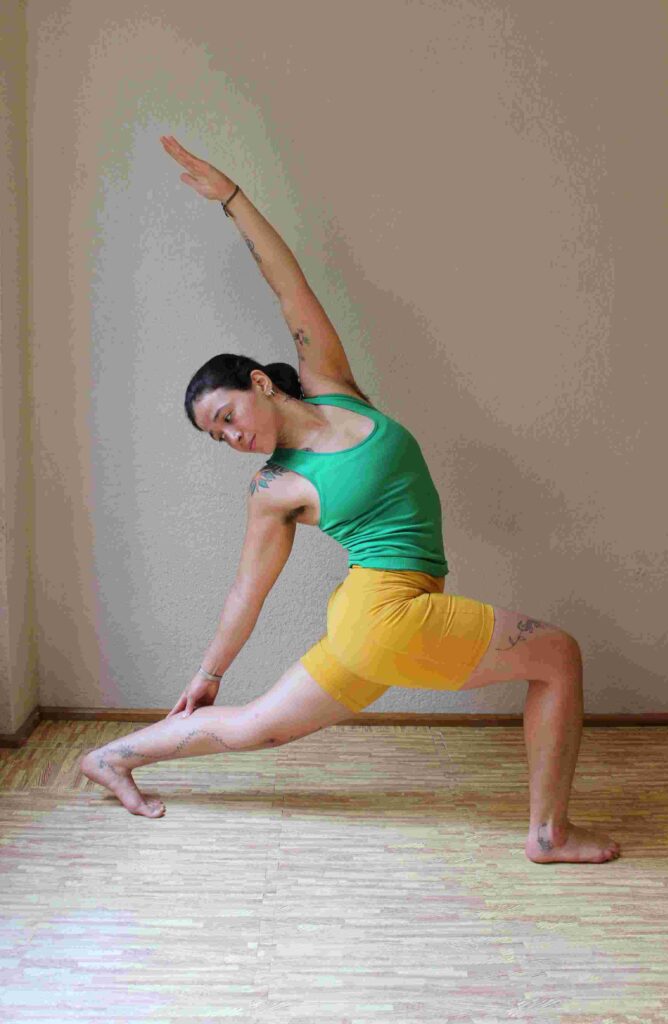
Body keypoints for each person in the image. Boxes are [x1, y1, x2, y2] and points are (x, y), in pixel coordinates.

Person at [80, 135, 620, 865]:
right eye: (216, 436)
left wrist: (233, 199)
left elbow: (289, 288)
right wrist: (207, 675)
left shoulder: (331, 383)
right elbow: (247, 591)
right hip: (384, 614)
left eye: (227, 416)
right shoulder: (274, 488)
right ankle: (548, 834)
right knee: (558, 656)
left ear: (260, 382)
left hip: (372, 618)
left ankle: (110, 758)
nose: (230, 437)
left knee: (259, 726)